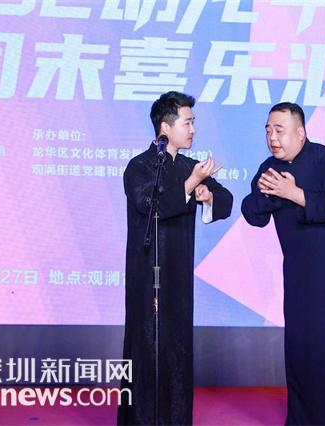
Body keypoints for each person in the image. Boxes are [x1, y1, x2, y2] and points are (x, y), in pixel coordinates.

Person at [241, 102, 325, 425]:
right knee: (302, 349)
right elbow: (253, 214)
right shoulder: (269, 169)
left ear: (300, 133)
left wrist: (295, 194)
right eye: (268, 130)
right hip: (300, 277)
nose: (272, 138)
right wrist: (268, 194)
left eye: (280, 130)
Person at [118, 91, 233, 425]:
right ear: (165, 128)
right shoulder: (140, 167)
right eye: (188, 123)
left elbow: (225, 200)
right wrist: (190, 184)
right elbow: (150, 205)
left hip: (178, 277)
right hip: (147, 276)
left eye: (193, 123)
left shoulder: (187, 165)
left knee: (177, 351)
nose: (193, 129)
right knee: (146, 349)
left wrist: (207, 194)